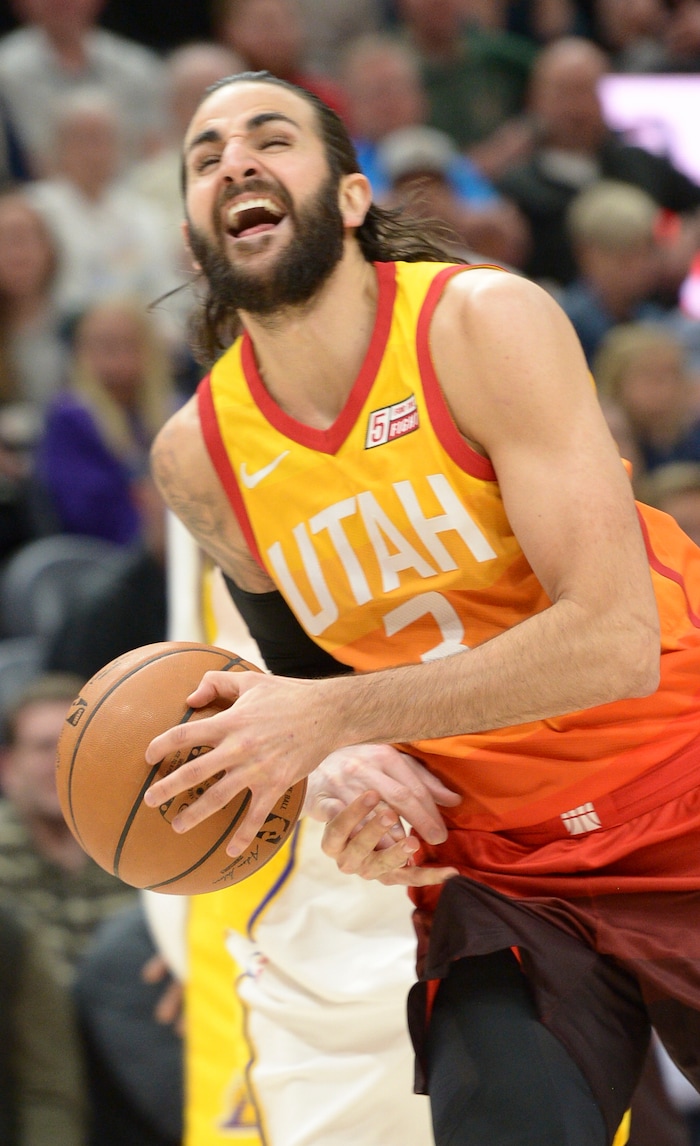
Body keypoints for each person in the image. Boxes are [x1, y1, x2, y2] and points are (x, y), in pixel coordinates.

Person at [143, 70, 700, 1146]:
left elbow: (617, 641)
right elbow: (307, 687)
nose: (236, 163)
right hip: (501, 874)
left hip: (678, 788)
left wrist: (330, 725)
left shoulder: (478, 323)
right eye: (206, 157)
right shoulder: (197, 460)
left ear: (352, 199)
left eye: (270, 140)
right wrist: (349, 775)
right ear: (193, 235)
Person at [495, 35, 700, 286]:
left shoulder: (637, 162)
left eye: (587, 91)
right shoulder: (515, 188)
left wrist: (688, 240)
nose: (577, 108)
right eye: (565, 92)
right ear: (535, 98)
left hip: (656, 311)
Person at [33, 297, 176, 546]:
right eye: (103, 344)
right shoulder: (71, 418)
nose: (117, 356)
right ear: (81, 351)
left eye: (128, 343)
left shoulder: (176, 413)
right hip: (111, 556)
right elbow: (85, 510)